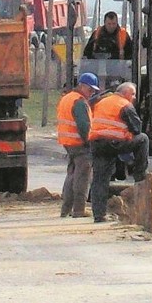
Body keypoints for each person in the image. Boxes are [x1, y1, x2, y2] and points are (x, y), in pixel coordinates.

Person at [89, 82, 149, 223]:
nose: (134, 97)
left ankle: (99, 215)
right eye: (133, 94)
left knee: (100, 179)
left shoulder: (101, 102)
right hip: (115, 143)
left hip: (97, 144)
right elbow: (136, 129)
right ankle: (140, 176)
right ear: (125, 93)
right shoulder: (124, 105)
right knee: (143, 139)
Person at [57, 72, 100, 217]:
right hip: (80, 144)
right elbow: (84, 126)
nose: (92, 92)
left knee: (71, 176)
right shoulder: (80, 102)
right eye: (90, 89)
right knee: (82, 177)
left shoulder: (67, 98)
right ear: (82, 86)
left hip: (68, 144)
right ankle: (79, 210)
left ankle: (65, 210)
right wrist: (90, 142)